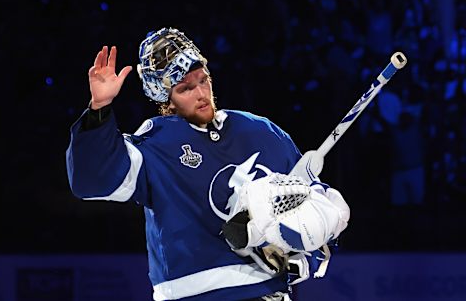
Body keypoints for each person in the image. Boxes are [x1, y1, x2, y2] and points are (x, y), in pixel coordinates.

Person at [66, 27, 350, 301]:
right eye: (186, 88)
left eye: (203, 80)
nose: (201, 93)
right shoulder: (154, 145)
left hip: (266, 292)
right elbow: (92, 180)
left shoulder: (260, 131)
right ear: (166, 100)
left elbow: (314, 200)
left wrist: (304, 252)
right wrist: (99, 109)